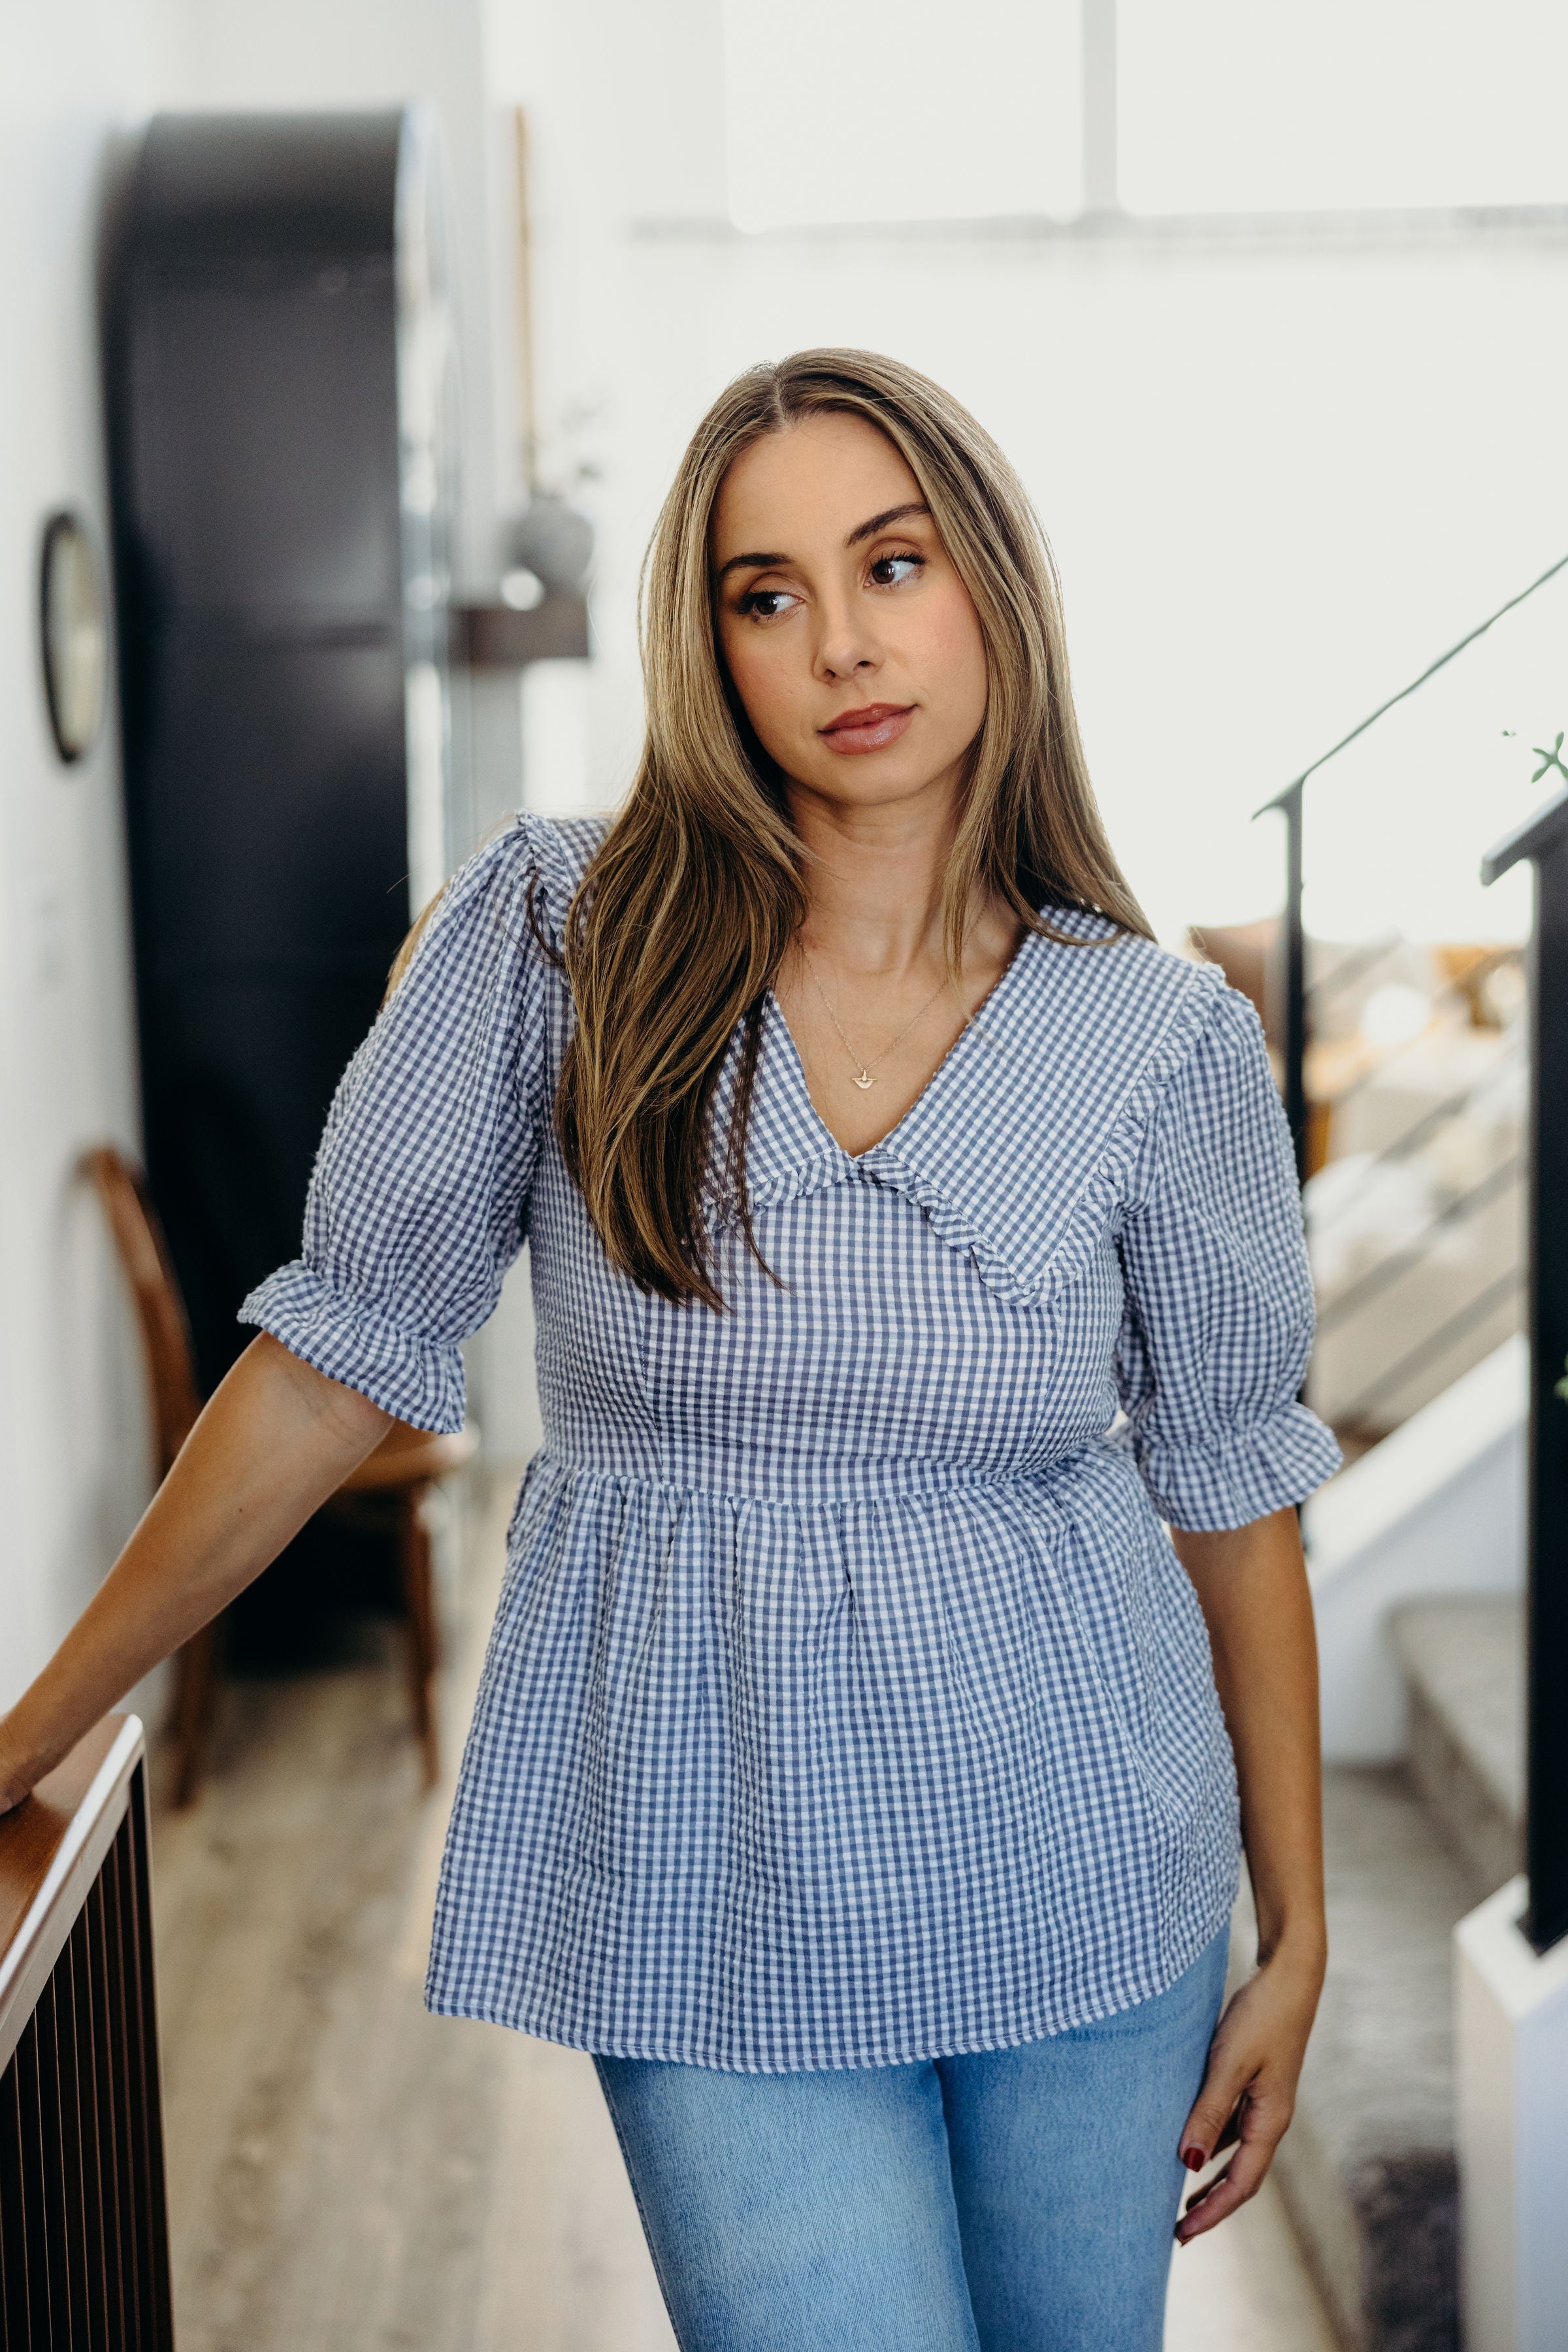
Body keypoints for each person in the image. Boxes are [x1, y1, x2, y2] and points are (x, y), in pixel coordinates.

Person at [0, 350, 1339, 2351]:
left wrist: (1302, 1931)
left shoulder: (1165, 1038)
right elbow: (329, 1364)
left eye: (892, 564)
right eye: (765, 593)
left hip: (1091, 1862)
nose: (842, 646)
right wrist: (27, 1734)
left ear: (993, 580)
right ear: (706, 646)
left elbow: (1237, 1491)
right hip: (711, 1870)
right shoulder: (562, 937)